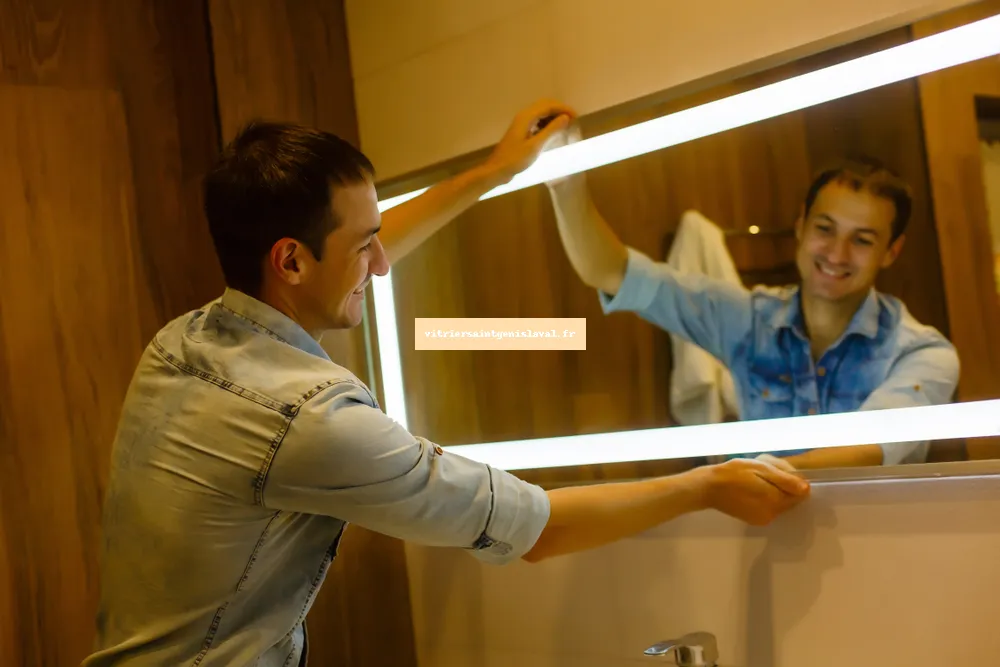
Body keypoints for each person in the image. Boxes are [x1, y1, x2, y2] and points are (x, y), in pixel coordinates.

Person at [82, 100, 810, 667]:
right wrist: (705, 485)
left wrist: (495, 172)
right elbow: (536, 529)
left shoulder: (184, 342)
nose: (382, 264)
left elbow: (357, 249)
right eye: (365, 246)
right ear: (291, 261)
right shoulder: (311, 420)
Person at [545, 124, 959, 471]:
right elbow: (610, 272)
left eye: (862, 240)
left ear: (891, 252)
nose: (837, 253)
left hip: (877, 539)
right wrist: (566, 186)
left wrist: (718, 484)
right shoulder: (747, 319)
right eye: (825, 229)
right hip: (759, 536)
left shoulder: (924, 354)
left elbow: (868, 449)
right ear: (800, 227)